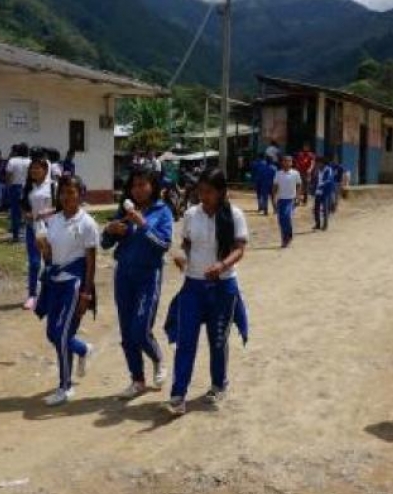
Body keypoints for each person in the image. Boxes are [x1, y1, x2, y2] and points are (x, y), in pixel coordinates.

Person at [167, 169, 250, 416]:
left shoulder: (234, 215)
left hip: (223, 287)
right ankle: (178, 394)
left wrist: (222, 265)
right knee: (186, 341)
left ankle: (218, 383)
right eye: (200, 191)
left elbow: (240, 249)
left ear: (221, 192)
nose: (203, 196)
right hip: (193, 286)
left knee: (217, 340)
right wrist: (182, 256)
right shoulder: (192, 215)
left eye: (209, 192)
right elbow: (186, 243)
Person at [102, 168, 173, 399]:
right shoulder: (124, 209)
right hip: (124, 275)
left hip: (148, 275)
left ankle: (158, 358)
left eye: (143, 184)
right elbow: (105, 244)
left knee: (140, 329)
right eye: (134, 185)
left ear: (153, 186)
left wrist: (143, 224)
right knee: (126, 331)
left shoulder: (162, 212)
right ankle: (137, 380)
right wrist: (110, 230)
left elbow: (163, 245)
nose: (138, 189)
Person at [34, 175, 100, 406]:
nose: (67, 197)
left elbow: (91, 261)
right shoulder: (54, 221)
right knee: (52, 332)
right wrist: (42, 247)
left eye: (71, 192)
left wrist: (87, 292)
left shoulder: (87, 224)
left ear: (80, 194)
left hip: (74, 283)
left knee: (62, 334)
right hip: (55, 282)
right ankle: (82, 349)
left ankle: (65, 386)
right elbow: (50, 256)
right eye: (63, 192)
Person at [22, 158, 55, 312]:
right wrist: (27, 214)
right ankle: (32, 295)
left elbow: (60, 207)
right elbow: (23, 206)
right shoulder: (28, 186)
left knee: (49, 262)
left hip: (50, 227)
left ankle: (50, 294)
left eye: (37, 168)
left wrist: (45, 213)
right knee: (34, 262)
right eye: (32, 169)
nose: (34, 171)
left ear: (45, 170)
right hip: (32, 228)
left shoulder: (53, 186)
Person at [273, 156, 302, 248]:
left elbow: (299, 185)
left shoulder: (295, 173)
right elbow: (275, 187)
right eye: (285, 161)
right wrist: (274, 198)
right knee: (281, 220)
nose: (286, 163)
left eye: (289, 161)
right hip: (281, 199)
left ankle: (288, 236)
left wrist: (298, 197)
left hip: (291, 199)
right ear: (282, 163)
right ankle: (284, 239)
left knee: (287, 217)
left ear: (291, 163)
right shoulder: (278, 173)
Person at [5, 144, 32, 242]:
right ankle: (25, 234)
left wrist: (8, 186)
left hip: (15, 187)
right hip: (27, 187)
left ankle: (15, 235)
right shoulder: (30, 161)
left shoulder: (12, 161)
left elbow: (8, 175)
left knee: (15, 212)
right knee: (27, 211)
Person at [312, 155, 336, 231]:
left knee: (325, 209)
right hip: (318, 191)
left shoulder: (328, 169)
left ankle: (325, 225)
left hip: (325, 191)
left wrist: (321, 185)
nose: (316, 164)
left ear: (322, 163)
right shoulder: (317, 170)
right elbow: (315, 179)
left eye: (317, 163)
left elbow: (329, 180)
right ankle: (318, 224)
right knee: (316, 209)